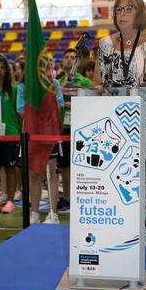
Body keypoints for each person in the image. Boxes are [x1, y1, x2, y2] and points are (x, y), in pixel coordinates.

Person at [93, 0, 146, 244]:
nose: (122, 14)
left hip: (145, 123)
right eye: (118, 9)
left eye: (128, 9)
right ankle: (118, 234)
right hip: (114, 125)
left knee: (144, 180)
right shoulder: (105, 44)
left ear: (139, 13)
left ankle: (142, 237)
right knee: (117, 180)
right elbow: (97, 82)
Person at [17, 57, 65, 224]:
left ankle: (53, 213)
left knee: (51, 173)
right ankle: (35, 213)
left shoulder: (54, 84)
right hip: (31, 135)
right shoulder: (23, 86)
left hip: (49, 134)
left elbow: (59, 107)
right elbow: (21, 111)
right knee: (34, 174)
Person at [57, 48, 92, 211]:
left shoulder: (85, 82)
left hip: (82, 126)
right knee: (65, 165)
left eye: (73, 57)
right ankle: (66, 197)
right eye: (67, 57)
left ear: (78, 62)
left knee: (83, 163)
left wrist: (72, 103)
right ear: (63, 62)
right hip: (64, 127)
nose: (70, 60)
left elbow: (92, 101)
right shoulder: (58, 82)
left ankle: (83, 195)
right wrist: (63, 86)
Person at [0, 54, 20, 214]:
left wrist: (20, 135)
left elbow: (19, 112)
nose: (0, 71)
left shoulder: (14, 89)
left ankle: (10, 200)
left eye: (3, 68)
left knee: (10, 169)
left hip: (11, 133)